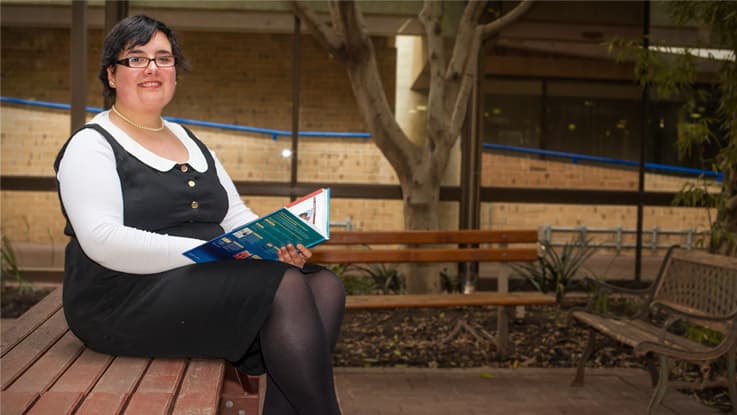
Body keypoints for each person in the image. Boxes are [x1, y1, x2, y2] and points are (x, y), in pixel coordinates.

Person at [54, 15, 345, 415]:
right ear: (111, 75)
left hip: (196, 280)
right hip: (121, 297)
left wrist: (272, 242)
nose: (153, 68)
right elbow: (102, 240)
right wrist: (209, 250)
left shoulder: (188, 139)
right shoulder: (92, 144)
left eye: (163, 58)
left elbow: (234, 215)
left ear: (175, 71)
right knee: (286, 287)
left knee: (324, 285)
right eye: (136, 59)